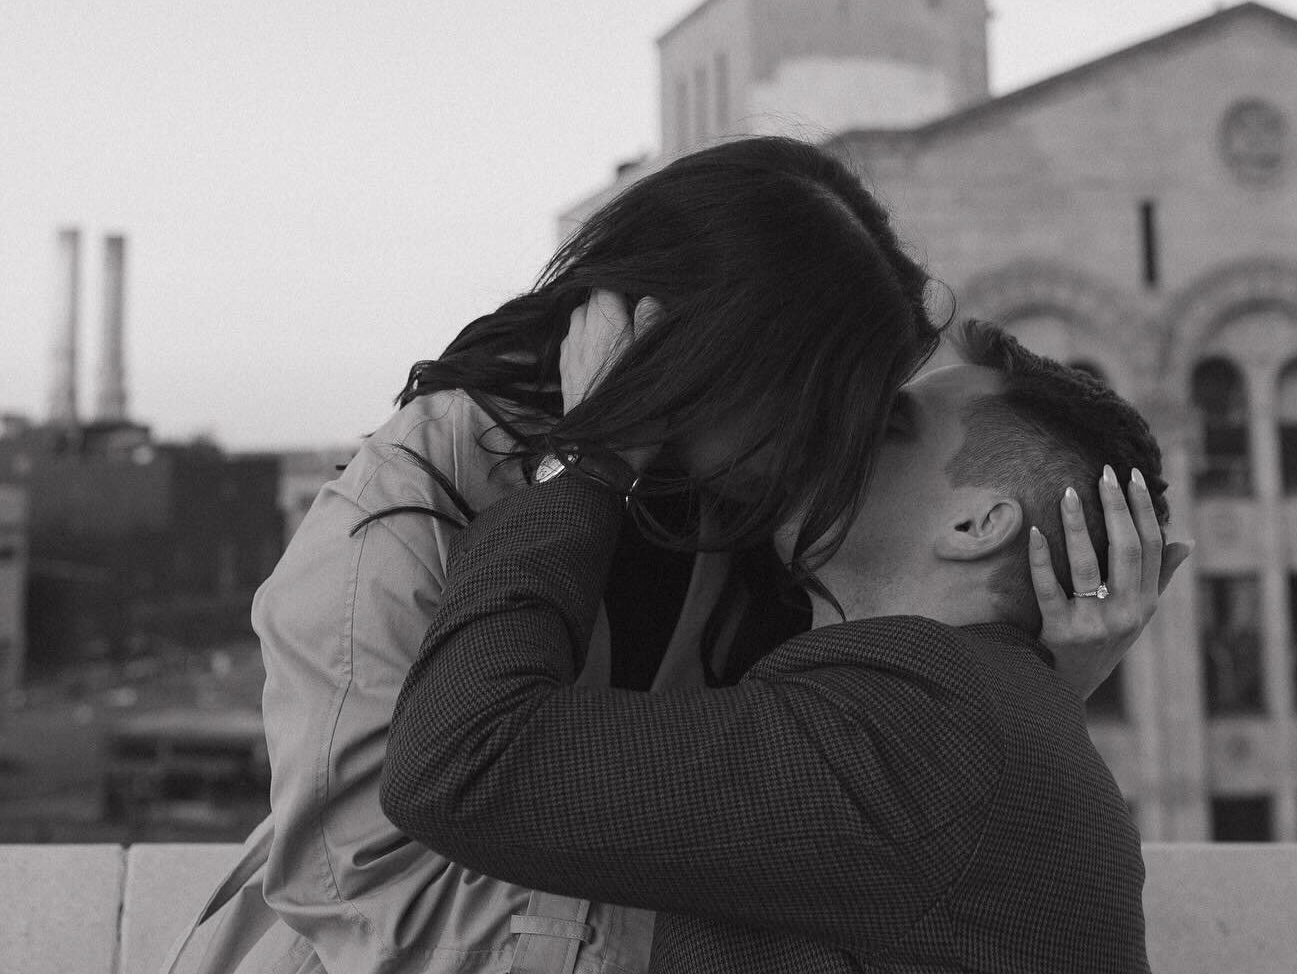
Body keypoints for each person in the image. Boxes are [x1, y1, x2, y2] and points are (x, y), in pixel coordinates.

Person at [163, 139, 1174, 974]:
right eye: (823, 404)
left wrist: (1027, 658)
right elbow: (366, 885)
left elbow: (865, 789)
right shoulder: (410, 510)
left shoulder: (757, 536)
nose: (838, 444)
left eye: (877, 421)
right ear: (704, 363)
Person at [380, 309, 1181, 974]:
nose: (838, 428)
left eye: (891, 424)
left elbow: (464, 761)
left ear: (976, 525)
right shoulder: (967, 728)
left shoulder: (928, 730)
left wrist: (593, 455)